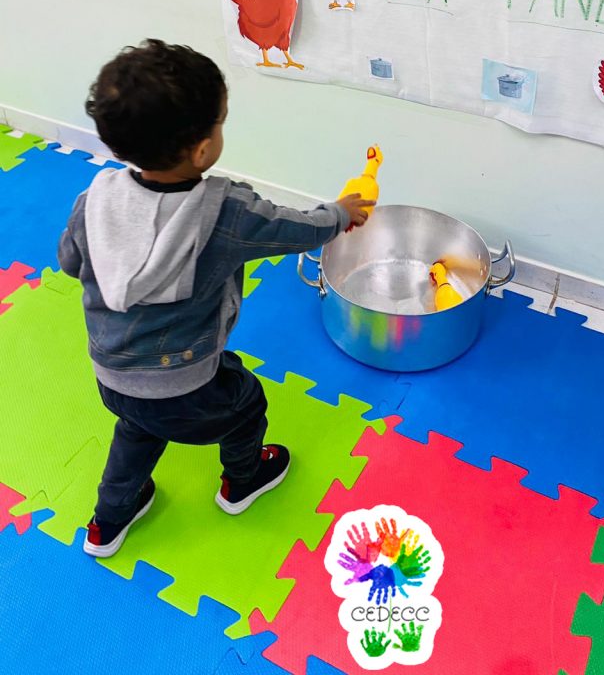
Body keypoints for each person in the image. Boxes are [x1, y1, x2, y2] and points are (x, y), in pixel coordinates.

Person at [57, 39, 373, 558]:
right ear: (203, 150)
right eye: (221, 122)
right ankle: (242, 481)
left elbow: (70, 262)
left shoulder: (95, 200)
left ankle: (107, 522)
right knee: (245, 405)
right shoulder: (224, 213)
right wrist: (340, 214)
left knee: (136, 428)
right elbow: (295, 229)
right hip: (183, 382)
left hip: (112, 374)